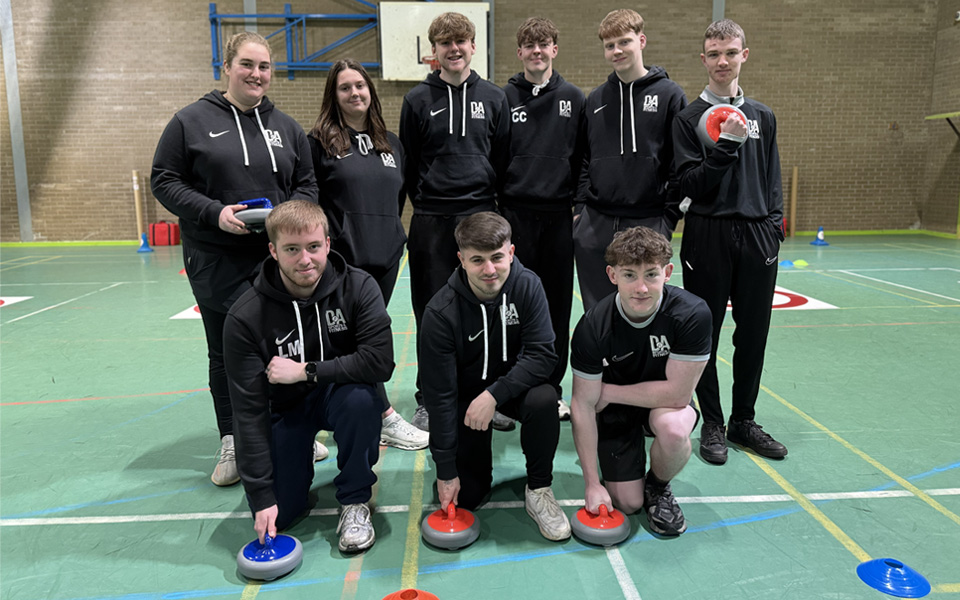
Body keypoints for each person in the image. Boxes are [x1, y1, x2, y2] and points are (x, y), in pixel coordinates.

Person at [151, 31, 325, 487]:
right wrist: (215, 213)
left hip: (275, 259)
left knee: (286, 343)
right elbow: (165, 180)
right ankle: (233, 438)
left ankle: (294, 428)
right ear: (226, 66)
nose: (256, 74)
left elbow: (306, 186)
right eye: (247, 64)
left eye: (264, 66)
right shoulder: (190, 121)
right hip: (215, 259)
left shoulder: (286, 127)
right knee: (226, 348)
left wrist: (285, 224)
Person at [223, 200, 392, 553]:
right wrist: (261, 496)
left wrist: (307, 371)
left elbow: (380, 363)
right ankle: (298, 456)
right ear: (273, 250)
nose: (305, 260)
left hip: (339, 396)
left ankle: (355, 500)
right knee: (283, 512)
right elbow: (248, 412)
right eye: (291, 249)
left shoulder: (359, 288)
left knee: (362, 400)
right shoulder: (245, 316)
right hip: (283, 409)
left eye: (314, 247)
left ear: (328, 244)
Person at [672, 19, 788, 465]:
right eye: (714, 53)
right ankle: (714, 422)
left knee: (754, 334)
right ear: (704, 59)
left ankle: (744, 419)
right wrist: (724, 149)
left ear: (744, 55)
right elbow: (689, 184)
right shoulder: (687, 118)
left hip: (759, 234)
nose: (723, 61)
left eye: (731, 52)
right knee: (706, 333)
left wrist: (774, 224)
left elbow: (771, 177)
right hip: (708, 232)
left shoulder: (763, 115)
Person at [420, 212, 571, 541]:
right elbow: (440, 396)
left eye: (497, 258)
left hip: (512, 388)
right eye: (477, 260)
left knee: (545, 398)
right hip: (465, 397)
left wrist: (494, 396)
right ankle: (464, 469)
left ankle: (539, 489)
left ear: (511, 252)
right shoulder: (441, 312)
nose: (489, 270)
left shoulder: (527, 285)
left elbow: (543, 355)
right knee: (470, 496)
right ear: (460, 259)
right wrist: (446, 471)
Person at [399, 12, 511, 432]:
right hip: (431, 219)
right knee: (430, 311)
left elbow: (501, 158)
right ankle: (428, 398)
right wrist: (428, 201)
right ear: (434, 51)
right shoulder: (416, 100)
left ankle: (488, 395)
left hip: (481, 216)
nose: (454, 49)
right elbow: (408, 165)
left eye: (461, 41)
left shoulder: (495, 98)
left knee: (486, 310)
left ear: (472, 45)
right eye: (445, 43)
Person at [308, 59, 428, 452]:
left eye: (360, 85)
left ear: (370, 91)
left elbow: (396, 199)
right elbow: (313, 201)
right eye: (345, 87)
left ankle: (364, 415)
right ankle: (383, 416)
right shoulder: (319, 143)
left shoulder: (390, 143)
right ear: (334, 95)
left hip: (386, 256)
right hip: (343, 261)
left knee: (368, 336)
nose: (355, 93)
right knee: (351, 340)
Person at [570, 226, 711, 536]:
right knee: (628, 503)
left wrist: (609, 391)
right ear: (612, 275)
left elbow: (676, 394)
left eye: (651, 274)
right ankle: (632, 482)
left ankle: (658, 488)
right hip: (617, 411)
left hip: (659, 404)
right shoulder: (593, 326)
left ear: (668, 272)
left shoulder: (692, 314)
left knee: (674, 431)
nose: (641, 288)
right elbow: (582, 405)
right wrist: (592, 484)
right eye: (629, 275)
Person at [501, 17, 585, 423]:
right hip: (515, 214)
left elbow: (585, 157)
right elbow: (494, 156)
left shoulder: (574, 97)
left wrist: (579, 204)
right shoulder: (504, 98)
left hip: (558, 217)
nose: (537, 51)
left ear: (554, 49)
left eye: (544, 44)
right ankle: (507, 386)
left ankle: (551, 389)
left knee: (556, 306)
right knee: (511, 303)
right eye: (529, 46)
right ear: (519, 53)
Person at [574, 9, 687, 312]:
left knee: (642, 309)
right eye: (609, 45)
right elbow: (585, 158)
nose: (617, 51)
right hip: (595, 224)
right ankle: (601, 363)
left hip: (649, 220)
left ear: (642, 41)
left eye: (624, 42)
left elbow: (680, 163)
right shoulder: (596, 99)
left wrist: (668, 219)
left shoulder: (670, 94)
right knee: (597, 312)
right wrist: (580, 211)